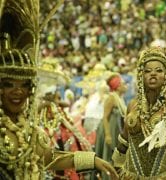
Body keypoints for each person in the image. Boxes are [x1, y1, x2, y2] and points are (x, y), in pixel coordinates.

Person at [0, 1, 117, 179]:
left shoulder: (30, 131)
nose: (18, 91)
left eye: (23, 85)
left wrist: (92, 160)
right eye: (9, 84)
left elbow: (50, 158)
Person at [111, 46, 166, 179]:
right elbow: (124, 138)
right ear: (141, 76)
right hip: (132, 175)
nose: (153, 74)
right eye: (148, 71)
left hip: (164, 176)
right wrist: (116, 165)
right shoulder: (133, 105)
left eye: (159, 70)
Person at [94, 72, 127, 180]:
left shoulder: (119, 98)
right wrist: (108, 135)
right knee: (108, 156)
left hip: (116, 129)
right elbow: (105, 117)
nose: (125, 85)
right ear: (117, 86)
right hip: (108, 130)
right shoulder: (111, 98)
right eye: (123, 84)